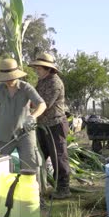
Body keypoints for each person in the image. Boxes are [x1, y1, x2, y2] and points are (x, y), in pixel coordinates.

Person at [0, 58, 47, 173]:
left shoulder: (26, 88)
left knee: (30, 165)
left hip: (24, 133)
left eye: (11, 77)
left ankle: (32, 189)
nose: (9, 80)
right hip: (3, 134)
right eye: (6, 78)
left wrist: (32, 117)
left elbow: (42, 104)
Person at [29, 52, 71, 199]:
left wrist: (29, 110)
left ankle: (63, 188)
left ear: (48, 69)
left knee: (58, 157)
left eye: (39, 69)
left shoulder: (54, 83)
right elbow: (33, 98)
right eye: (36, 68)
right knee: (42, 155)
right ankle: (41, 185)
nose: (37, 71)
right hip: (42, 125)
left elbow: (43, 104)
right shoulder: (42, 81)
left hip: (55, 125)